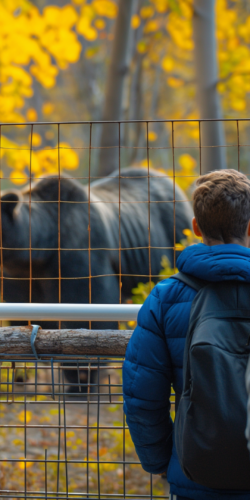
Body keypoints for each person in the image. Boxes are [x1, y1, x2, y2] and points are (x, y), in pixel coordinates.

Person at [123, 169, 250, 500]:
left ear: (195, 227)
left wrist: (164, 462)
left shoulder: (166, 297)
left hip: (195, 473)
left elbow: (142, 399)